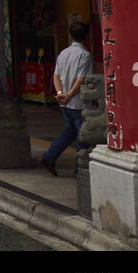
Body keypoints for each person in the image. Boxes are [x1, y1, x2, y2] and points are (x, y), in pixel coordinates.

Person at [41, 21, 93, 175]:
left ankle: (49, 157)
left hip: (64, 103)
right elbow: (81, 80)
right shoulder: (85, 55)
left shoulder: (63, 53)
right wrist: (68, 96)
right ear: (87, 36)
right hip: (78, 103)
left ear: (70, 35)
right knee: (83, 135)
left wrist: (60, 94)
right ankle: (80, 170)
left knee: (70, 130)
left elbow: (56, 75)